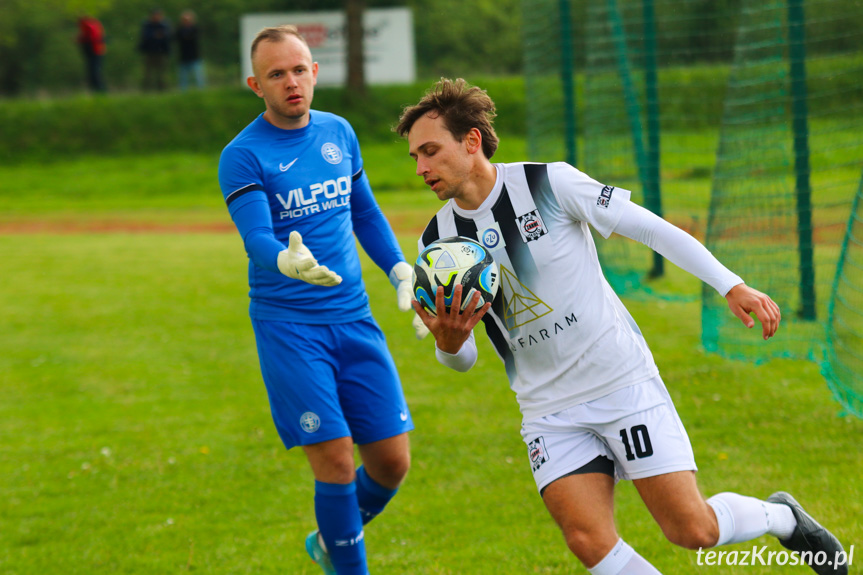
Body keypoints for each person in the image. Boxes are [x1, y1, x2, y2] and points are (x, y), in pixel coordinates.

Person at [396, 78, 847, 575]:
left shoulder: (549, 183)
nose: (421, 168)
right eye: (415, 157)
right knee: (589, 541)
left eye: (431, 151)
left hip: (619, 382)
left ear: (472, 141)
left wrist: (730, 285)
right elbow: (459, 360)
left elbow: (650, 227)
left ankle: (781, 517)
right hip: (547, 410)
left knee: (692, 530)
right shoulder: (436, 243)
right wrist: (450, 342)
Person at [218, 25, 415, 575]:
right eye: (276, 74)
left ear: (315, 72)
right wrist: (283, 259)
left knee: (392, 462)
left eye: (299, 69)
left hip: (354, 317)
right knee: (334, 458)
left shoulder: (338, 132)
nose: (291, 82)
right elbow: (257, 236)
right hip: (290, 328)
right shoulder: (242, 155)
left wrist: (398, 268)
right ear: (256, 84)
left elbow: (365, 212)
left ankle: (329, 542)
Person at [138, 8, 171, 91]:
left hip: (161, 52)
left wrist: (157, 36)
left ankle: (162, 90)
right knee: (147, 73)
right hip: (150, 52)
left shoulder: (164, 25)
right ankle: (146, 90)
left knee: (161, 74)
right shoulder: (147, 25)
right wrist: (155, 36)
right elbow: (145, 37)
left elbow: (168, 37)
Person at [175, 10, 205, 90]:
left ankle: (202, 92)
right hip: (183, 57)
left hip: (195, 56)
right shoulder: (179, 30)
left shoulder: (195, 29)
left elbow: (194, 38)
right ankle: (183, 93)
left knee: (199, 78)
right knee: (183, 79)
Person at [76, 15, 106, 92]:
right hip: (96, 51)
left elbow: (92, 38)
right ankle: (97, 90)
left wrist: (80, 40)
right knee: (93, 71)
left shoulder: (89, 25)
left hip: (95, 51)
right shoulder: (91, 24)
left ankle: (100, 90)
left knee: (94, 72)